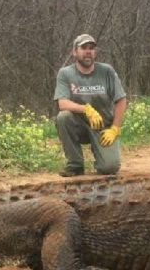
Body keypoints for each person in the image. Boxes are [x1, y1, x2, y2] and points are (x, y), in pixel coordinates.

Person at [53, 34, 127, 177]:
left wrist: (115, 128)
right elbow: (62, 103)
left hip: (103, 127)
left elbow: (121, 100)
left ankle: (102, 160)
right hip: (79, 125)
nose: (88, 51)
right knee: (63, 117)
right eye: (84, 48)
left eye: (92, 48)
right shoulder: (65, 73)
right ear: (74, 52)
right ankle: (75, 165)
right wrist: (86, 109)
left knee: (109, 168)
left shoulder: (107, 71)